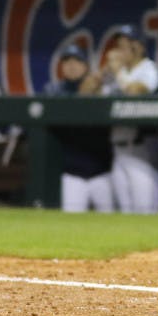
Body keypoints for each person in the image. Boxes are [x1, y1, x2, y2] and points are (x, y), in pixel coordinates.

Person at [94, 24, 158, 214]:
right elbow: (90, 93)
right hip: (118, 151)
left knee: (145, 212)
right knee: (125, 214)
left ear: (139, 47)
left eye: (125, 46)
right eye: (118, 46)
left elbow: (134, 92)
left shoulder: (150, 69)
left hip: (143, 151)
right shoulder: (118, 73)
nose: (120, 52)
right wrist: (103, 72)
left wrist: (117, 72)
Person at [43, 44, 115, 213]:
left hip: (103, 171)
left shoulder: (100, 89)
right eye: (67, 61)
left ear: (86, 65)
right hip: (71, 173)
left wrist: (95, 87)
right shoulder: (53, 91)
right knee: (71, 225)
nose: (71, 65)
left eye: (77, 60)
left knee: (112, 223)